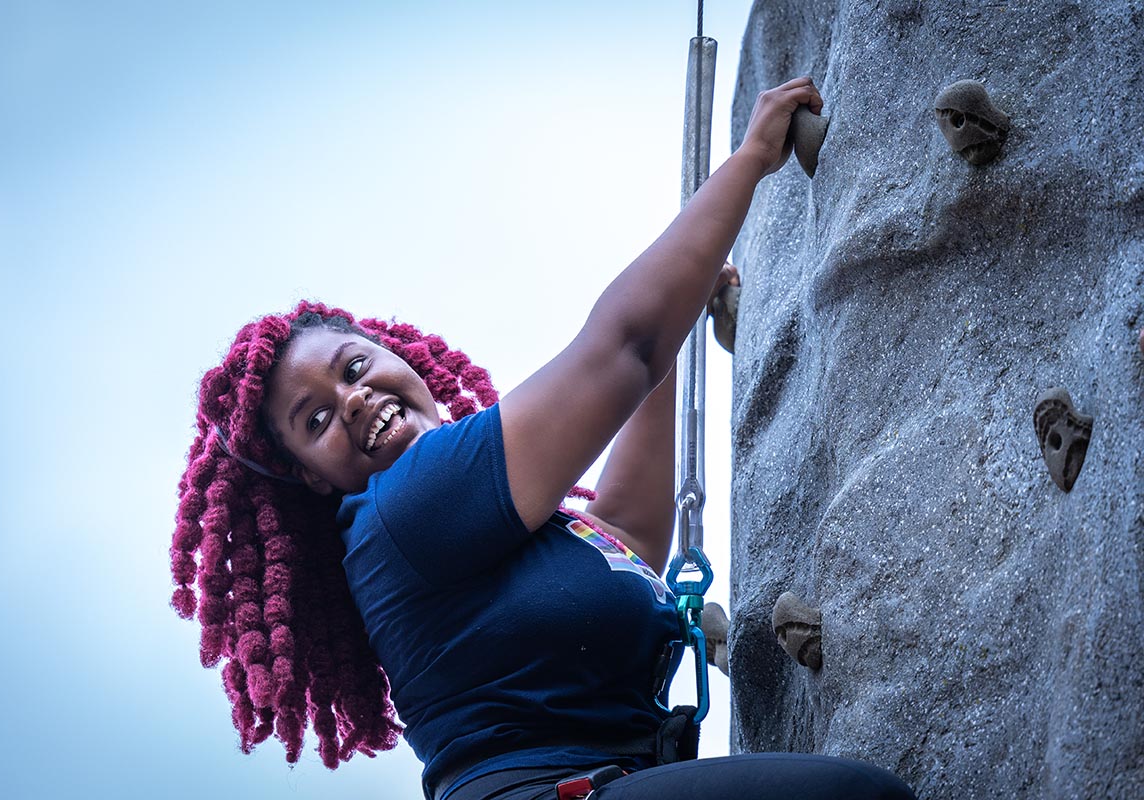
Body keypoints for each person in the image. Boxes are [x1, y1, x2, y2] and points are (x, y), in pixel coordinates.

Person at [171, 77, 916, 800]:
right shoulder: (405, 506)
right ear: (312, 477)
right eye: (316, 420)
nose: (354, 400)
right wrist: (749, 161)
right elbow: (624, 348)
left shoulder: (469, 532)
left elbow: (625, 533)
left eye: (354, 365)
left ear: (397, 354)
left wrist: (680, 313)